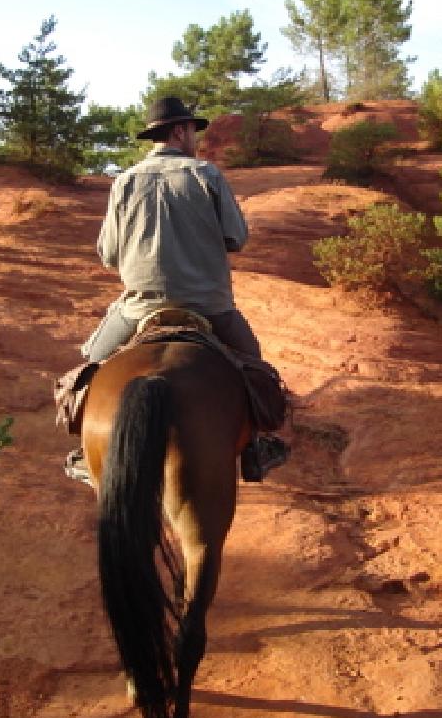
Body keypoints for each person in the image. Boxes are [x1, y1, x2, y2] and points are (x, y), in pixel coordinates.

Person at [77, 94, 288, 481]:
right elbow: (236, 238)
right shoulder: (204, 175)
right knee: (258, 371)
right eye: (193, 129)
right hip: (208, 305)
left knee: (89, 366)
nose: (196, 139)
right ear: (178, 131)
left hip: (139, 308)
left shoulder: (123, 182)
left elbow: (108, 255)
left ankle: (83, 452)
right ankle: (256, 447)